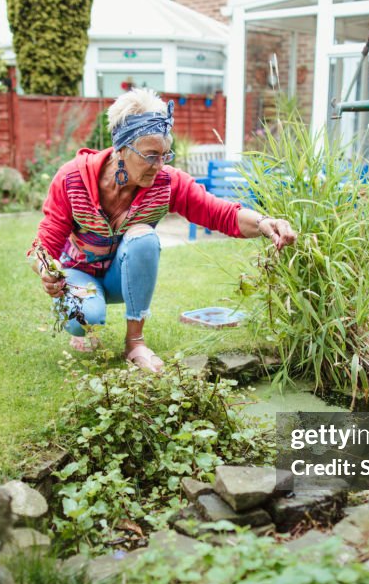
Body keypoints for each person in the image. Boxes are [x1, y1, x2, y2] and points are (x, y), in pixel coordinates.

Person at [30, 88, 296, 372]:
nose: (159, 166)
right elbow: (43, 247)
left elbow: (219, 212)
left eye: (165, 155)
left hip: (122, 277)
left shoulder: (167, 183)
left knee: (143, 237)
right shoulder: (72, 179)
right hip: (79, 273)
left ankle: (135, 342)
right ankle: (87, 322)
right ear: (121, 148)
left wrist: (265, 223)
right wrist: (47, 271)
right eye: (151, 156)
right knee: (84, 319)